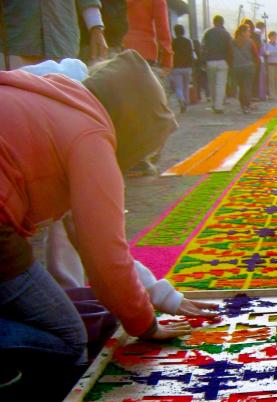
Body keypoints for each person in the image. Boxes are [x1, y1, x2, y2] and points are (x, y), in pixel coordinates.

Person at [0, 51, 201, 374]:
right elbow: (104, 254)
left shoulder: (58, 97)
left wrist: (160, 295)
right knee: (67, 338)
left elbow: (83, 235)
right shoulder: (92, 135)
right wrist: (145, 324)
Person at [2, 0, 109, 69]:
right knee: (21, 98)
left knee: (62, 98)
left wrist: (96, 28)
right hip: (18, 44)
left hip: (62, 42)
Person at [201, 15, 232, 114]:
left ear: (213, 22)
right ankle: (219, 106)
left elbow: (202, 48)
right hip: (223, 62)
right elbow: (230, 49)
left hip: (210, 61)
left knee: (212, 84)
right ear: (222, 23)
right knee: (221, 85)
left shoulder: (207, 33)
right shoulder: (226, 34)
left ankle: (214, 103)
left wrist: (203, 61)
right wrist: (230, 62)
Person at [168, 24, 194, 113]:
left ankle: (181, 100)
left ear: (175, 32)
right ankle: (185, 103)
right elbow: (191, 54)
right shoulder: (188, 41)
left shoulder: (172, 42)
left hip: (176, 67)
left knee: (178, 87)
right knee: (186, 86)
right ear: (183, 31)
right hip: (187, 67)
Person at [232, 24, 256, 112]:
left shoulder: (232, 42)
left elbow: (230, 55)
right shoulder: (250, 42)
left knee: (241, 86)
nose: (249, 33)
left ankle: (243, 103)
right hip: (248, 67)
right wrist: (256, 64)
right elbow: (255, 55)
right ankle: (247, 104)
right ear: (243, 32)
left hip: (236, 67)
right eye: (248, 31)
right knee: (247, 86)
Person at [263, 31, 277, 101]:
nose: (275, 38)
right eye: (274, 37)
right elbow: (266, 53)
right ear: (270, 37)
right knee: (271, 80)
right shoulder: (266, 45)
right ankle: (272, 95)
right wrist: (272, 53)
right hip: (271, 64)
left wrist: (272, 53)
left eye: (276, 37)